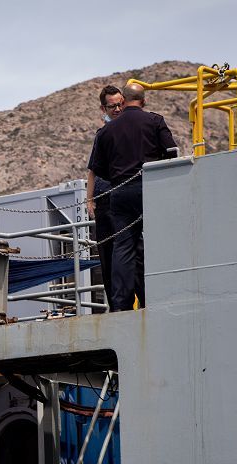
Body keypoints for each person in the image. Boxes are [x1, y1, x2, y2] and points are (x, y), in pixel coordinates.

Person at [88, 83, 176, 311]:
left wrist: (119, 177)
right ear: (143, 101)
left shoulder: (106, 131)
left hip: (120, 192)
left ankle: (121, 304)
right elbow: (172, 153)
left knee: (123, 247)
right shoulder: (155, 120)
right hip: (151, 188)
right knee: (160, 241)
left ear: (125, 102)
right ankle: (161, 295)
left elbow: (99, 169)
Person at [87, 84, 125, 310]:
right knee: (108, 255)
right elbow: (92, 169)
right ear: (104, 108)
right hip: (105, 199)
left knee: (131, 254)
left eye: (120, 104)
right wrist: (89, 199)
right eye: (112, 106)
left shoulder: (130, 129)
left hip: (125, 197)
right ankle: (116, 305)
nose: (117, 109)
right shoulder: (102, 135)